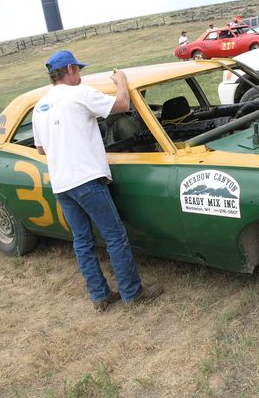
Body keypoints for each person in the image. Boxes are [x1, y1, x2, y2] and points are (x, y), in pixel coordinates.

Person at [32, 50, 162, 311]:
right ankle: (132, 293)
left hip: (61, 183)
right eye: (78, 69)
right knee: (114, 235)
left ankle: (100, 296)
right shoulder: (80, 93)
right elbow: (123, 106)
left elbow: (41, 150)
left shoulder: (40, 106)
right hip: (86, 178)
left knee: (82, 241)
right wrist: (122, 82)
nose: (80, 74)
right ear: (69, 69)